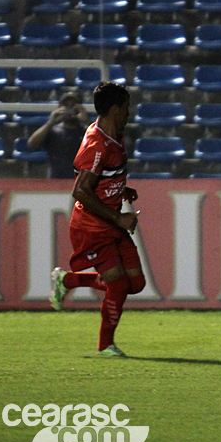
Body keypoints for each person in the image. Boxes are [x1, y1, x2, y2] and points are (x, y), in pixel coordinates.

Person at [49, 82, 146, 357]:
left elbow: (102, 179)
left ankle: (67, 281)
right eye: (126, 108)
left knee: (135, 284)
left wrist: (121, 188)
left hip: (110, 223)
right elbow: (80, 190)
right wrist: (118, 217)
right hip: (92, 227)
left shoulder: (114, 134)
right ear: (115, 110)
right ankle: (105, 345)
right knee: (117, 284)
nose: (129, 113)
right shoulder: (98, 143)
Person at [27, 92, 88, 179]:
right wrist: (50, 123)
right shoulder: (53, 130)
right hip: (55, 182)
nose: (70, 108)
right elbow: (32, 144)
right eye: (66, 105)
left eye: (73, 105)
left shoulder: (86, 131)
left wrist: (87, 121)